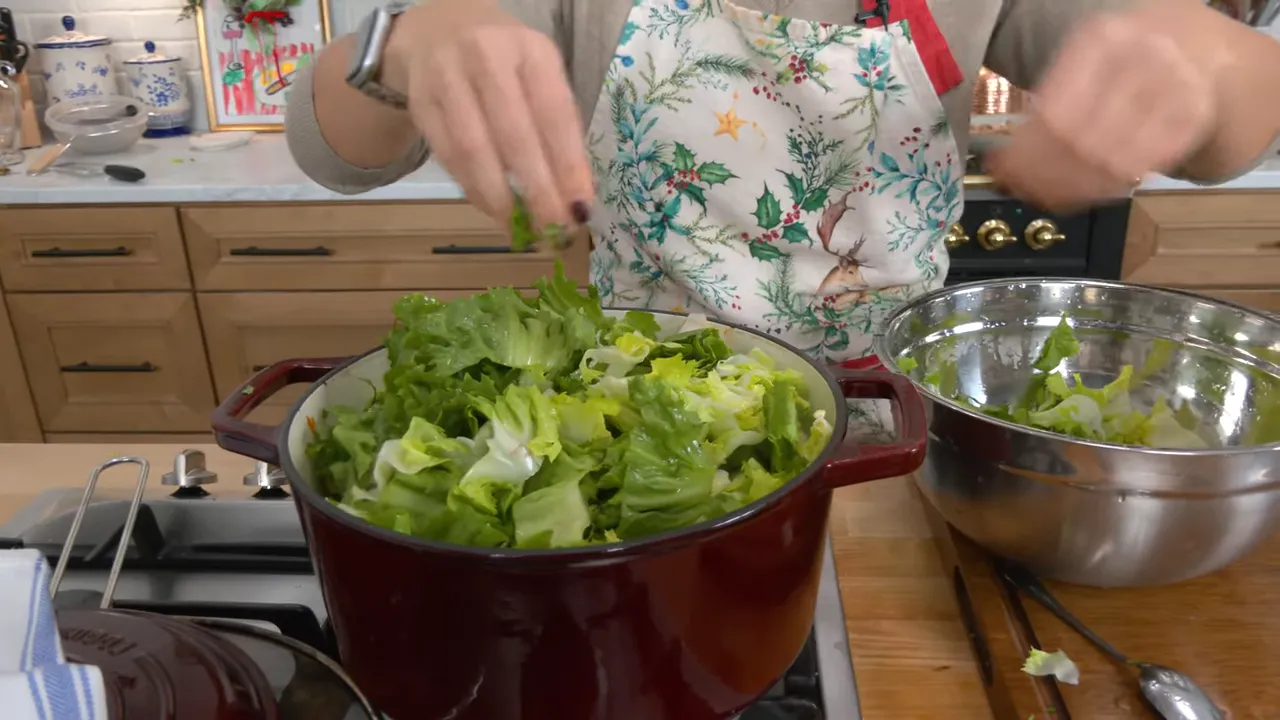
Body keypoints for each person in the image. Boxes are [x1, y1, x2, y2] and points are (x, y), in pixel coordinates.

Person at [286, 0, 1279, 433]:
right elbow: (328, 147)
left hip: (883, 428)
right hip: (635, 420)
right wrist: (403, 42)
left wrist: (1215, 60)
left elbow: (1231, 132)